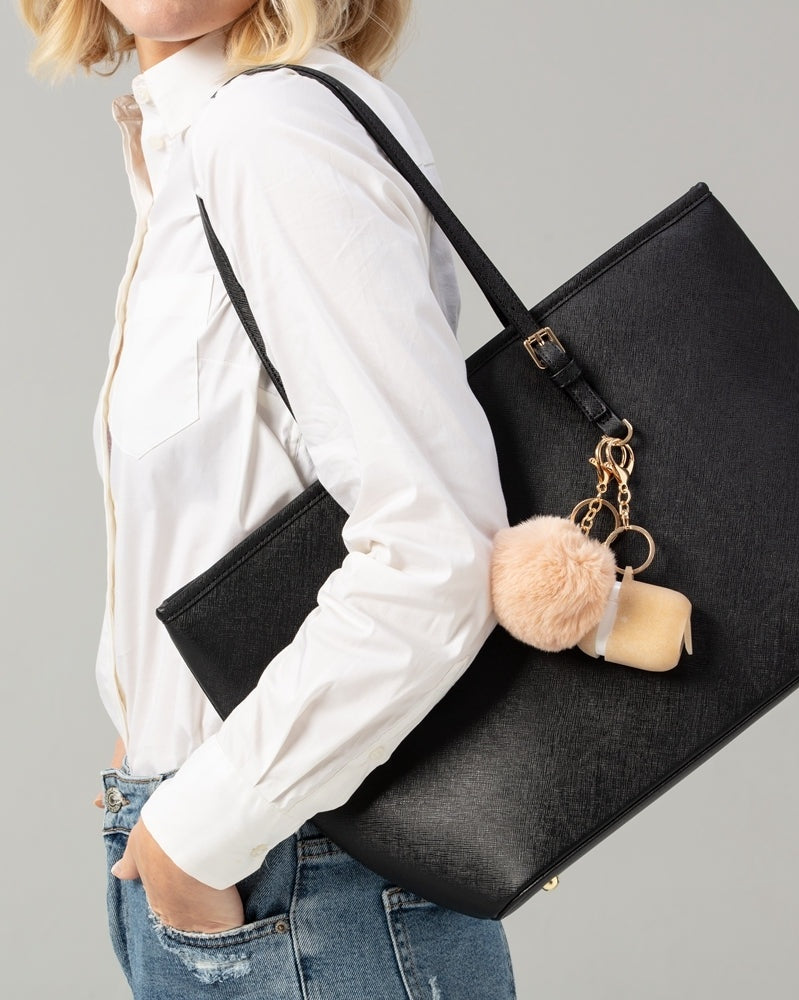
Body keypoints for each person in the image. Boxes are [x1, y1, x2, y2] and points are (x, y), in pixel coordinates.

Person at [20, 2, 518, 997]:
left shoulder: (271, 135)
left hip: (297, 885)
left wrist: (197, 826)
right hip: (260, 872)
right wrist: (154, 725)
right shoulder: (200, 136)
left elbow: (437, 548)